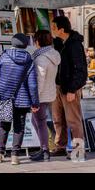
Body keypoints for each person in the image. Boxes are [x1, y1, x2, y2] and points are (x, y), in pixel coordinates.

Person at [0, 33, 39, 165]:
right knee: (19, 126)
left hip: (5, 96)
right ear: (25, 45)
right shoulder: (29, 60)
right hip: (22, 99)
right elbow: (33, 84)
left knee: (4, 125)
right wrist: (35, 102)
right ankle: (15, 156)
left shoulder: (4, 57)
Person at [50, 16, 87, 160]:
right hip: (58, 87)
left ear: (61, 29)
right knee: (58, 119)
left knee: (73, 120)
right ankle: (60, 146)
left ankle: (79, 151)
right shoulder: (59, 43)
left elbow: (81, 70)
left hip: (70, 88)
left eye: (54, 27)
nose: (52, 30)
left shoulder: (75, 44)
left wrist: (72, 89)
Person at [30, 30, 60, 162]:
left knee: (40, 122)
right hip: (49, 93)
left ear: (37, 41)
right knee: (36, 121)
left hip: (41, 95)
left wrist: (34, 100)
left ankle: (45, 151)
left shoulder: (41, 58)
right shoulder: (53, 54)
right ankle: (43, 149)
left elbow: (39, 80)